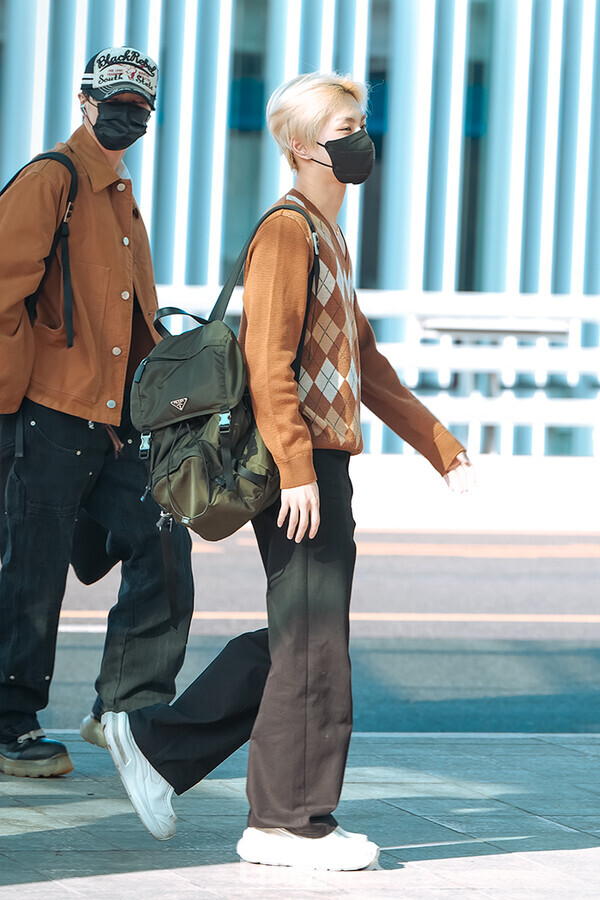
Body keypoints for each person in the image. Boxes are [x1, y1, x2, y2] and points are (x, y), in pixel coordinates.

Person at [101, 72, 474, 871]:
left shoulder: (328, 236)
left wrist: (440, 445)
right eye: (344, 125)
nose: (359, 136)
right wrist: (298, 472)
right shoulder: (287, 230)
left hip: (318, 466)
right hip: (295, 469)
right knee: (313, 646)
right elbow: (268, 362)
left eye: (362, 122)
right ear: (305, 147)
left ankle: (157, 744)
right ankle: (287, 822)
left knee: (300, 637)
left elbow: (366, 366)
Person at [0, 47, 194, 778]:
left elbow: (133, 319)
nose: (127, 115)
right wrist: (11, 402)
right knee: (32, 575)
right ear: (85, 101)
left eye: (139, 107)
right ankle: (10, 726)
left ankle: (126, 708)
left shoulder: (120, 197)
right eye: (114, 101)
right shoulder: (55, 179)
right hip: (45, 414)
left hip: (113, 424)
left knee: (163, 542)